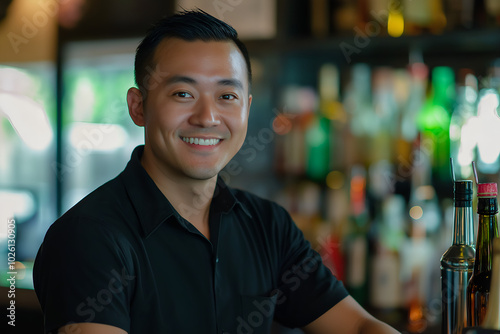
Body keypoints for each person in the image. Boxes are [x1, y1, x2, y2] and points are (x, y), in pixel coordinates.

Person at [33, 9, 400, 334]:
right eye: (183, 94)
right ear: (138, 106)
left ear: (247, 107)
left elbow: (357, 324)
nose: (207, 118)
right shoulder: (89, 238)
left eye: (227, 96)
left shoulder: (267, 225)